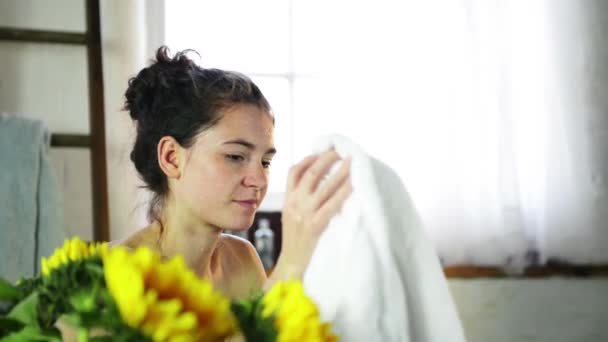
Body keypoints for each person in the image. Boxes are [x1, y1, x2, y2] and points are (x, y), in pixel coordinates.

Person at [115, 46, 352, 299]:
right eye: (235, 157)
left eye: (265, 162)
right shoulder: (113, 275)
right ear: (172, 158)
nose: (260, 180)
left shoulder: (242, 259)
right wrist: (291, 263)